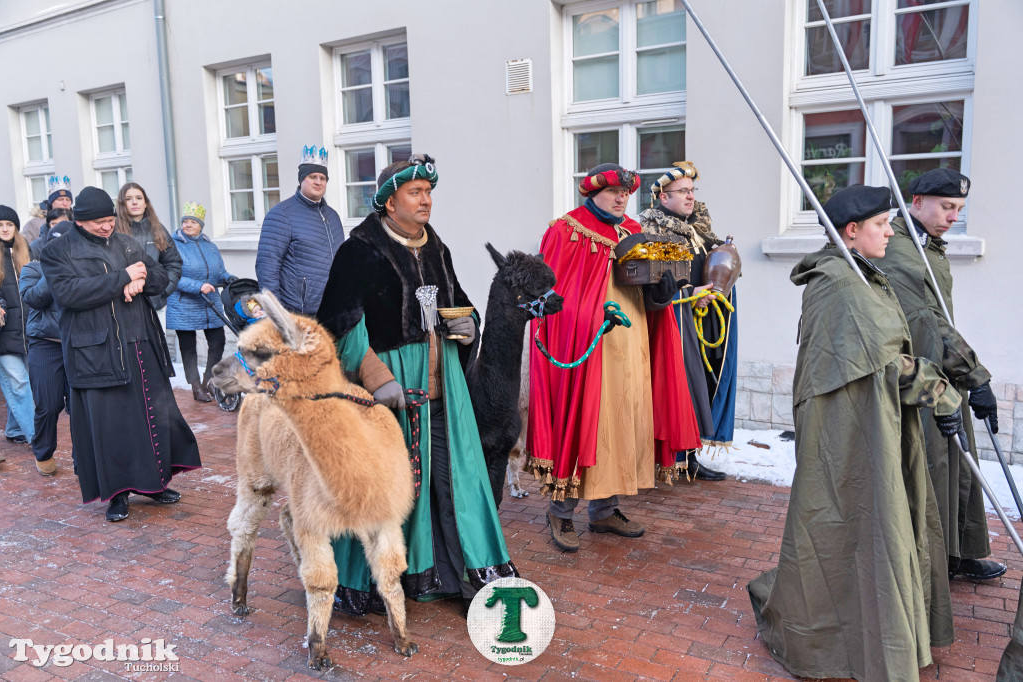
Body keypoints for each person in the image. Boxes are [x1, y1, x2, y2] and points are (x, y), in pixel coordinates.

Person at [748, 185, 960, 680]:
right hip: (850, 431)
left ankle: (860, 623)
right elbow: (891, 362)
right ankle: (845, 637)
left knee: (854, 524)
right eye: (882, 225)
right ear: (851, 232)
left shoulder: (855, 272)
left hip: (862, 422)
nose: (890, 232)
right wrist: (942, 395)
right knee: (857, 523)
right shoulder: (844, 284)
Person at [317, 154, 516, 615]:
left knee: (453, 480)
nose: (426, 200)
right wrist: (375, 375)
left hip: (441, 379)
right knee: (387, 485)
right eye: (415, 193)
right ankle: (367, 579)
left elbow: (459, 303)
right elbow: (338, 324)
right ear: (389, 203)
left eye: (429, 192)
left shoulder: (436, 247)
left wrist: (468, 325)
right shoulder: (359, 250)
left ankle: (453, 573)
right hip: (392, 384)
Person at [526, 163, 700, 553]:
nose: (622, 198)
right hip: (588, 346)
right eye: (613, 192)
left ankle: (605, 510)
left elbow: (650, 295)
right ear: (591, 193)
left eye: (627, 192)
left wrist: (662, 293)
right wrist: (588, 317)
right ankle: (562, 510)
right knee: (587, 421)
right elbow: (550, 299)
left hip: (633, 342)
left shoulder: (634, 233)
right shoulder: (566, 230)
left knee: (624, 422)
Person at [873, 168, 1004, 582]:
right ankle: (934, 561)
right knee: (930, 466)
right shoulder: (898, 249)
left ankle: (958, 551)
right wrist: (975, 375)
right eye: (947, 207)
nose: (953, 216)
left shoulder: (928, 244)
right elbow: (927, 321)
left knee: (957, 464)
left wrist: (968, 376)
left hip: (943, 367)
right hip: (919, 374)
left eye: (959, 209)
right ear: (916, 202)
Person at [40, 187, 202, 522]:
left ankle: (154, 483)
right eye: (98, 222)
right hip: (96, 353)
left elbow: (159, 281)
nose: (106, 227)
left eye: (109, 220)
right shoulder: (57, 250)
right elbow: (69, 294)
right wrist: (122, 278)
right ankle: (117, 494)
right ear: (80, 220)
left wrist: (141, 276)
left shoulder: (126, 243)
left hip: (141, 343)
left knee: (150, 419)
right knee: (112, 426)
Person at [639, 161, 734, 481]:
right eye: (683, 192)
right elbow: (661, 281)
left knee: (701, 386)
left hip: (701, 318)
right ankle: (673, 458)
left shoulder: (700, 230)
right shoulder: (655, 231)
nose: (690, 197)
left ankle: (691, 456)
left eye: (692, 191)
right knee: (680, 387)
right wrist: (693, 293)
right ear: (663, 198)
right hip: (674, 322)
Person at [256, 145, 344, 315]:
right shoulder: (281, 214)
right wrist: (276, 313)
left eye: (323, 178)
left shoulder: (333, 216)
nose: (318, 182)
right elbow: (267, 267)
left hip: (333, 307)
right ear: (302, 179)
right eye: (313, 176)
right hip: (299, 312)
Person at [166, 202, 234, 402]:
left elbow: (219, 271)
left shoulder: (210, 246)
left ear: (200, 226)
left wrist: (229, 278)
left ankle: (208, 382)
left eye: (192, 222)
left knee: (218, 341)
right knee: (188, 347)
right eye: (185, 221)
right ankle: (195, 386)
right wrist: (198, 286)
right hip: (183, 302)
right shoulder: (172, 245)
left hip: (209, 301)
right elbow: (172, 275)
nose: (188, 225)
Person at [20, 220, 72, 475]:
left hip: (78, 344)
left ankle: (84, 458)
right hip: (45, 344)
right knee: (48, 405)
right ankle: (43, 452)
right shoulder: (33, 268)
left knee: (80, 406)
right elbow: (33, 298)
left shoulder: (84, 268)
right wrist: (54, 270)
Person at [0, 205, 36, 452]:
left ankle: (14, 428)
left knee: (25, 383)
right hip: (2, 334)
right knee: (20, 383)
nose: (4, 229)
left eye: (9, 225)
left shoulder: (25, 250)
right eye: (0, 225)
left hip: (27, 330)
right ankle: (38, 437)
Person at [115, 182, 182, 314]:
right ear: (122, 204)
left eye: (139, 198)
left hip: (156, 304)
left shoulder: (158, 229)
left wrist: (163, 290)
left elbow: (173, 263)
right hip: (125, 304)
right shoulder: (114, 231)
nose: (135, 202)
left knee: (158, 336)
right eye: (128, 199)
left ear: (145, 203)